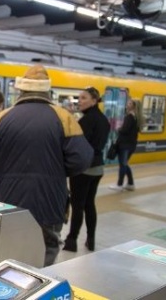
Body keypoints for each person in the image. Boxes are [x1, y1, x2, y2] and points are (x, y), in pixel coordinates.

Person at [0, 64, 92, 266]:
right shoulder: (65, 118)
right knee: (47, 253)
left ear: (21, 90)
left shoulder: (2, 118)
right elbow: (83, 159)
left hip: (9, 200)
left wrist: (9, 169)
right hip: (49, 202)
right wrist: (56, 170)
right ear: (47, 91)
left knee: (10, 255)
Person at [63, 87, 110, 252]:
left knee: (78, 205)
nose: (79, 101)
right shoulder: (104, 119)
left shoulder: (85, 121)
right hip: (98, 168)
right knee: (89, 204)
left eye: (83, 98)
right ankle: (91, 240)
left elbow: (78, 146)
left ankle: (71, 240)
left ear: (94, 100)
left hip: (84, 168)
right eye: (79, 98)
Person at [109, 98, 142, 191]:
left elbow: (124, 130)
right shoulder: (137, 117)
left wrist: (119, 128)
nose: (127, 104)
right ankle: (130, 184)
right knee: (124, 164)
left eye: (130, 103)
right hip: (131, 144)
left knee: (123, 165)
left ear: (133, 106)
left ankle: (119, 185)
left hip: (124, 145)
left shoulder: (129, 117)